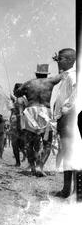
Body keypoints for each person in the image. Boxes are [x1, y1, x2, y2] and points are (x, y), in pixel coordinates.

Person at [15, 64, 62, 176]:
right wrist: (59, 63)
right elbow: (62, 74)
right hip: (45, 112)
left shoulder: (29, 83)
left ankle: (32, 167)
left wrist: (22, 91)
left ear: (36, 73)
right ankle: (39, 166)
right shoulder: (50, 81)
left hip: (31, 111)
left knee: (29, 143)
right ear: (46, 74)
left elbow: (17, 93)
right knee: (47, 143)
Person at [51, 48, 78, 198]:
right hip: (65, 119)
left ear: (68, 60)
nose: (57, 62)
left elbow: (76, 92)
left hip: (68, 119)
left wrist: (65, 109)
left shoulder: (72, 76)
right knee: (69, 154)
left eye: (60, 59)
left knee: (69, 154)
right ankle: (69, 190)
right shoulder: (66, 75)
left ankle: (68, 191)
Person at [10, 83, 27, 166]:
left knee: (15, 144)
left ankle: (18, 162)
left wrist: (20, 127)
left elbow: (20, 113)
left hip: (18, 125)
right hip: (21, 124)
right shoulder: (22, 99)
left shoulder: (19, 100)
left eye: (14, 89)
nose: (13, 91)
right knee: (22, 145)